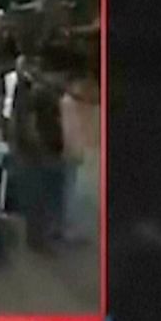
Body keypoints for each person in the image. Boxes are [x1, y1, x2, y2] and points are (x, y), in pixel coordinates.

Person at [9, 54, 66, 252]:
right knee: (40, 196)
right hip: (40, 150)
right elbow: (29, 122)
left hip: (35, 149)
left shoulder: (29, 90)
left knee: (38, 195)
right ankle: (38, 239)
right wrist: (38, 146)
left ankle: (38, 237)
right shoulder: (38, 92)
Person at [60, 64, 100, 246]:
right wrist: (73, 150)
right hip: (70, 152)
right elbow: (70, 131)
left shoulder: (72, 103)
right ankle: (67, 229)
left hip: (72, 151)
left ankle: (66, 226)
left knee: (69, 190)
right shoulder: (68, 104)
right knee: (68, 191)